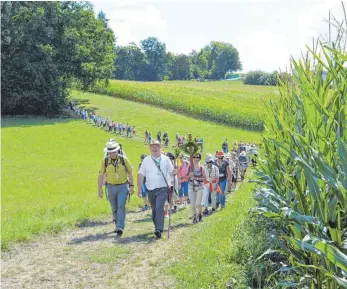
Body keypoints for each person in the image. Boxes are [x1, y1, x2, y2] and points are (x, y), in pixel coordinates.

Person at [137, 140, 174, 239]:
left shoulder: (166, 159)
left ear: (160, 148)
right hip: (151, 189)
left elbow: (171, 172)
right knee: (154, 210)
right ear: (150, 148)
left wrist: (175, 172)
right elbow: (140, 175)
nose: (154, 148)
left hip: (163, 188)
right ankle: (157, 226)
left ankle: (159, 229)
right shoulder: (146, 160)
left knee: (159, 207)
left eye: (156, 146)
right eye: (152, 146)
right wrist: (139, 189)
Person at [98, 141, 134, 237]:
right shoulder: (105, 161)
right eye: (110, 152)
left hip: (123, 186)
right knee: (114, 207)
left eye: (114, 152)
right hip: (110, 187)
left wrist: (131, 186)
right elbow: (101, 175)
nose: (112, 154)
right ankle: (117, 223)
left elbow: (130, 172)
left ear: (117, 151)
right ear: (108, 152)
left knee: (121, 205)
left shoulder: (123, 160)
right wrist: (99, 189)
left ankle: (120, 226)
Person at [188, 153, 205, 223]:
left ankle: (200, 213)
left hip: (199, 186)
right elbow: (187, 176)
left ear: (199, 158)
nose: (195, 158)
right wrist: (189, 175)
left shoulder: (201, 167)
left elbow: (204, 178)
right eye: (194, 157)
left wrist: (196, 178)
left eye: (197, 157)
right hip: (191, 186)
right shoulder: (190, 167)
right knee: (192, 204)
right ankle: (194, 217)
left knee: (198, 203)